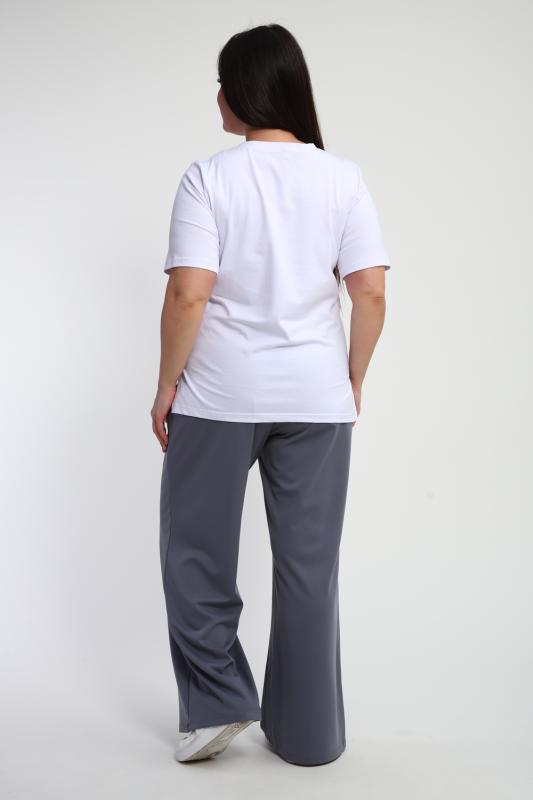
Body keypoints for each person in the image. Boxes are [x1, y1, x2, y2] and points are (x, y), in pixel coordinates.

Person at [150, 22, 392, 767]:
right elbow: (370, 292)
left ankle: (216, 704)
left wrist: (165, 385)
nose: (217, 97)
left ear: (242, 92)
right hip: (316, 399)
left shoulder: (208, 177)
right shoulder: (342, 177)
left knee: (195, 555)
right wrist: (351, 376)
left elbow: (189, 294)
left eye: (221, 83)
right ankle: (309, 734)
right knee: (309, 569)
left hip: (217, 396)